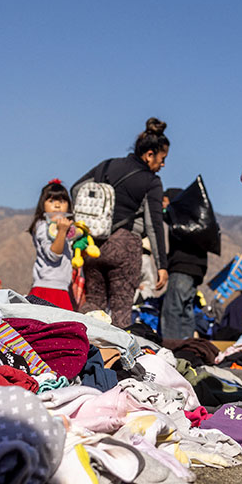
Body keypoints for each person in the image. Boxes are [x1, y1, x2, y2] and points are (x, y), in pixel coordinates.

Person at [73, 118, 170, 328]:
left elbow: (76, 189)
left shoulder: (107, 165)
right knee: (120, 309)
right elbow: (154, 224)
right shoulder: (151, 181)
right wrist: (162, 265)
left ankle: (82, 346)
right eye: (162, 159)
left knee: (93, 303)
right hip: (125, 245)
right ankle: (117, 358)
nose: (162, 165)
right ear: (149, 154)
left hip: (93, 245)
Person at [160, 188, 208, 340]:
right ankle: (186, 345)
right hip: (196, 271)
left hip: (182, 268)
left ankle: (172, 345)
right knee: (186, 311)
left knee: (173, 309)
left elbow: (164, 214)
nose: (163, 205)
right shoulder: (195, 219)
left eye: (165, 201)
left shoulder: (179, 216)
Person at [26, 179, 74, 310]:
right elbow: (54, 255)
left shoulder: (66, 227)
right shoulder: (42, 226)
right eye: (52, 201)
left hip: (62, 287)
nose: (57, 205)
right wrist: (62, 231)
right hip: (48, 289)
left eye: (62, 201)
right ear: (43, 204)